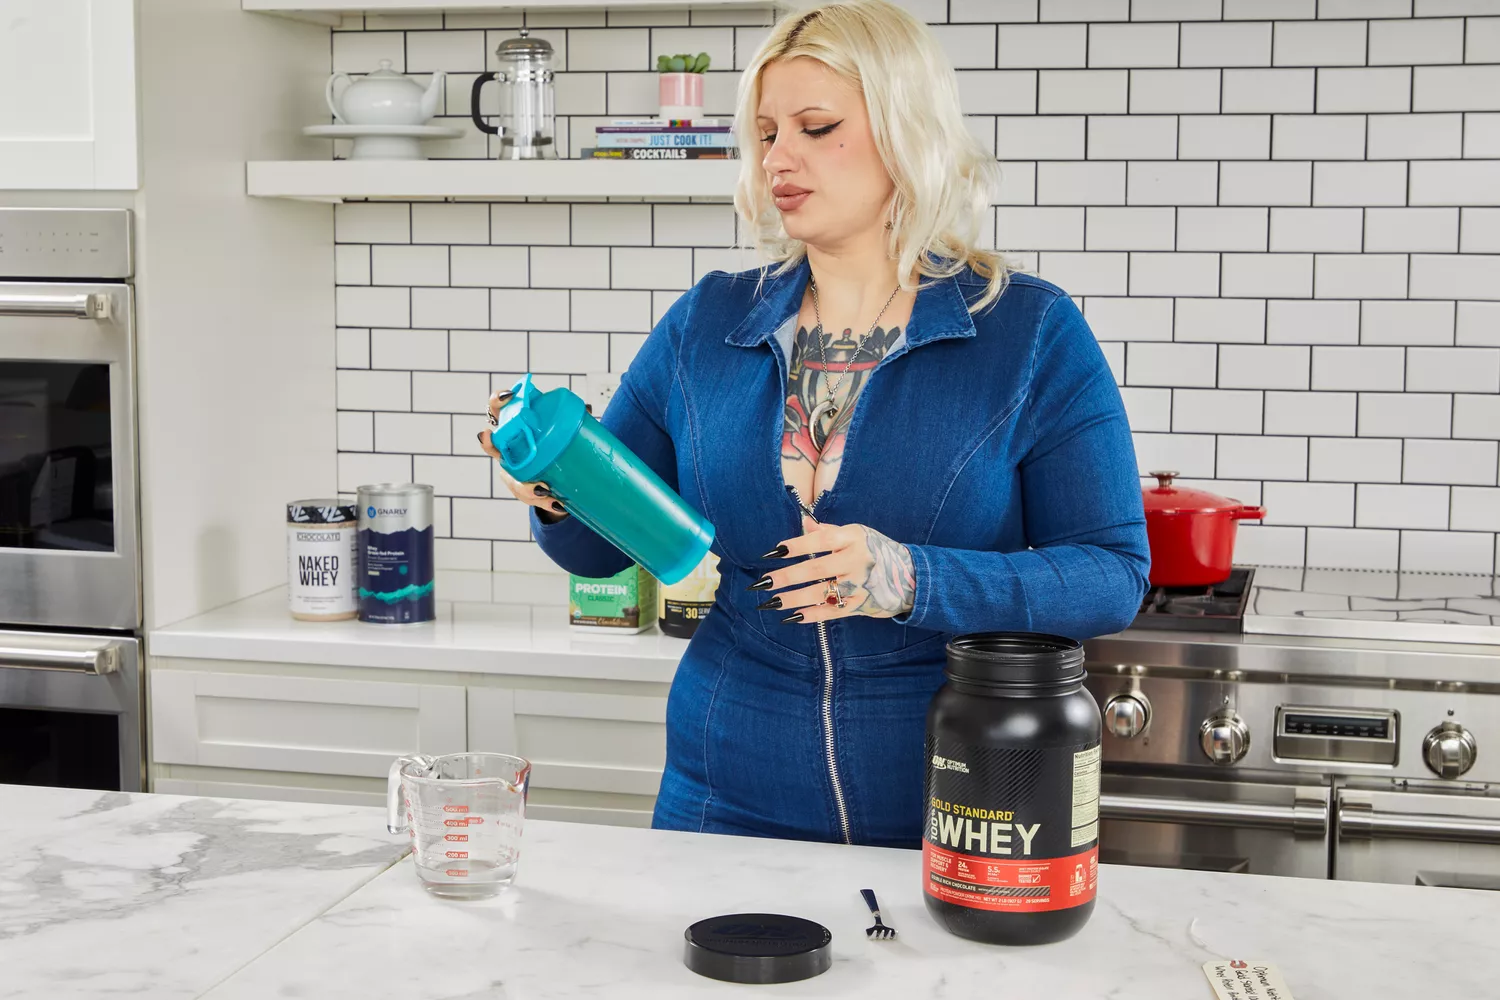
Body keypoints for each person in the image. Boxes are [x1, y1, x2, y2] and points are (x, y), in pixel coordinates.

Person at [480, 0, 1149, 848]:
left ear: (906, 133)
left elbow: (1110, 574)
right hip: (721, 793)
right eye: (765, 134)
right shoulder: (706, 325)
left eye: (816, 126)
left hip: (956, 802)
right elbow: (598, 551)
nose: (777, 158)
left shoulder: (1027, 332)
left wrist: (910, 578)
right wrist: (556, 482)